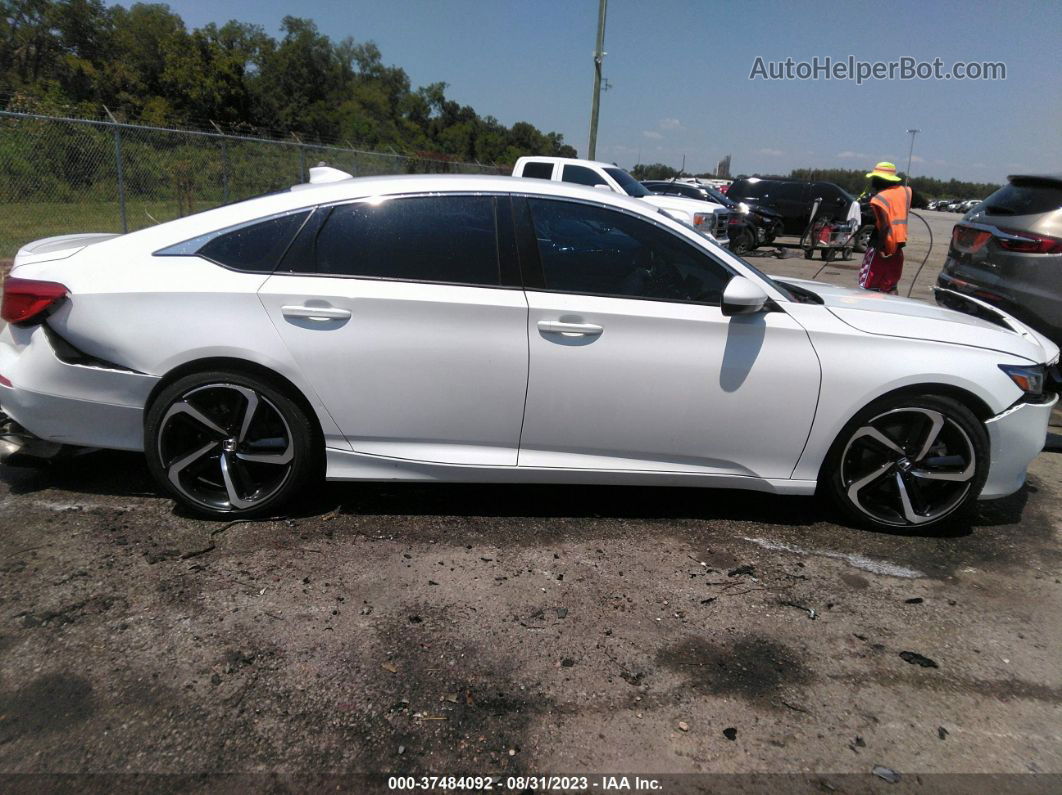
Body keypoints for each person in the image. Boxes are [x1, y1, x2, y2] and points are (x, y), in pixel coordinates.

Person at [857, 161, 912, 294]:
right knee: (890, 285)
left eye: (874, 179)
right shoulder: (906, 191)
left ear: (879, 180)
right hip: (898, 247)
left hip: (881, 246)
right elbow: (924, 202)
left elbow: (885, 226)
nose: (873, 182)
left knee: (868, 284)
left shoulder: (880, 198)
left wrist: (881, 247)